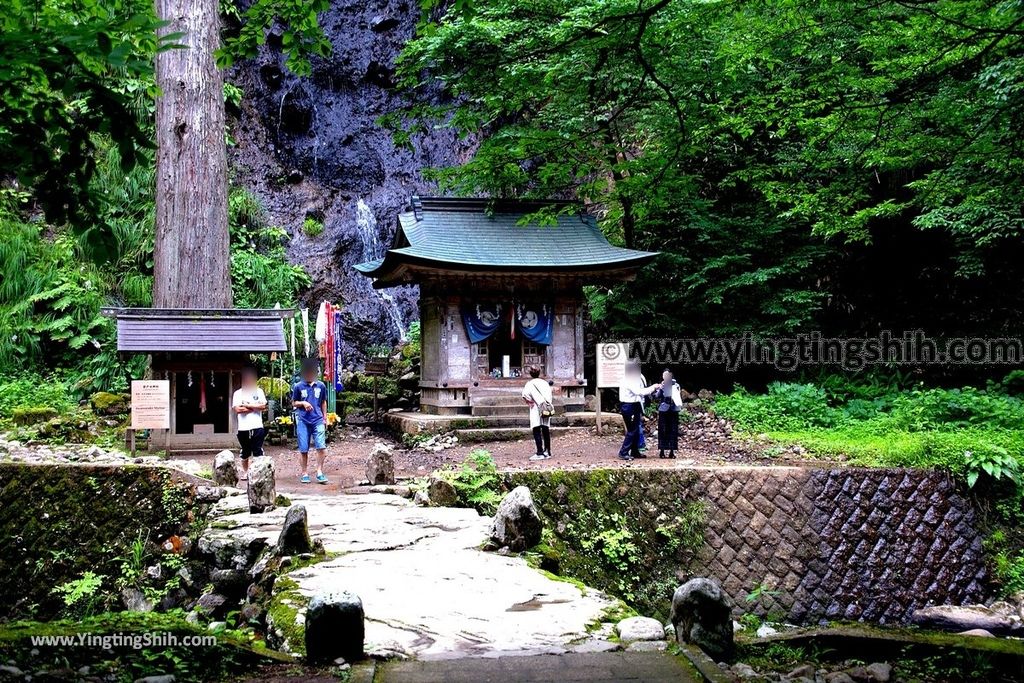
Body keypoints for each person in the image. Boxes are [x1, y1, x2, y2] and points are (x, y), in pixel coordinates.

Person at [292, 357, 329, 484]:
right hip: (303, 420)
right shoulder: (298, 386)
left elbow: (323, 402)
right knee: (303, 449)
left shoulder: (321, 386)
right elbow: (294, 403)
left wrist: (325, 418)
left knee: (321, 447)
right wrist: (303, 403)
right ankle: (304, 472)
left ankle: (319, 471)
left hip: (317, 419)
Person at [232, 366, 267, 481]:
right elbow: (237, 409)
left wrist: (247, 405)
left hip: (257, 425)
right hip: (243, 427)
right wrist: (254, 407)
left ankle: (258, 472)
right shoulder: (238, 393)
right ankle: (246, 472)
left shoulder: (259, 391)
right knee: (245, 451)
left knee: (258, 450)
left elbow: (263, 406)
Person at [618, 363, 659, 460]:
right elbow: (639, 392)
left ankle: (635, 451)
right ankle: (623, 452)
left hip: (634, 405)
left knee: (636, 429)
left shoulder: (633, 379)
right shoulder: (628, 380)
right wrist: (653, 387)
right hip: (629, 405)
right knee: (632, 430)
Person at [522, 366, 553, 461]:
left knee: (536, 429)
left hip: (536, 408)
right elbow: (549, 395)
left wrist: (530, 402)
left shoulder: (530, 384)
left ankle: (539, 452)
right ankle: (547, 451)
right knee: (545, 428)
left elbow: (525, 395)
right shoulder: (545, 383)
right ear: (539, 373)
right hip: (546, 407)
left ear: (530, 374)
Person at [653, 369, 682, 459]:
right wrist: (659, 389)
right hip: (664, 409)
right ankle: (662, 450)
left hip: (673, 410)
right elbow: (656, 396)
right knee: (663, 429)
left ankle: (672, 451)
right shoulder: (662, 385)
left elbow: (678, 395)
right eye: (664, 376)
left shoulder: (676, 385)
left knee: (673, 430)